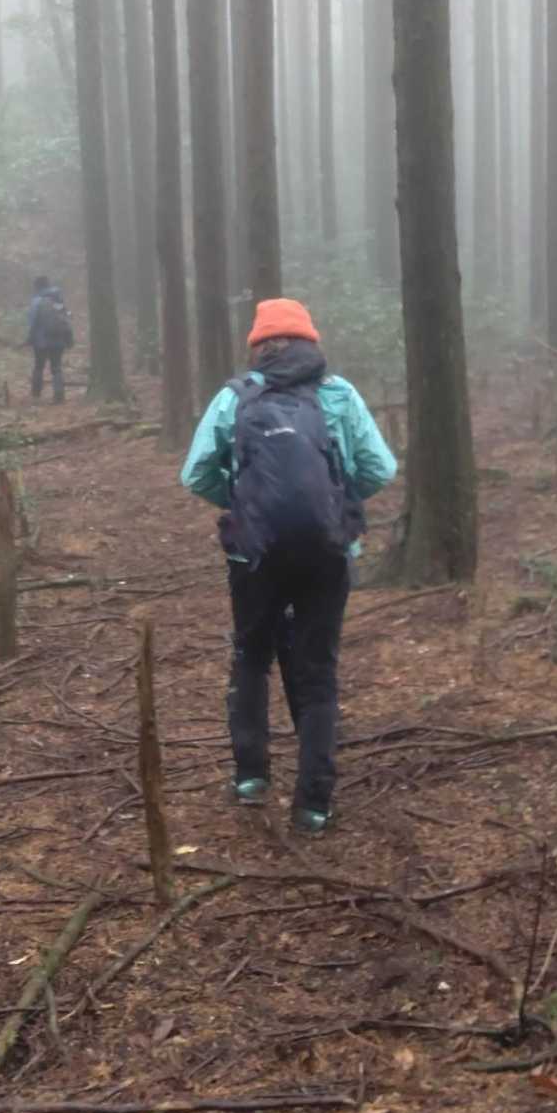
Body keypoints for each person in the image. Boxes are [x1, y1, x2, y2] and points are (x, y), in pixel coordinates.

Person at [180, 297, 397, 835]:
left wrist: (243, 503)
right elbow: (380, 468)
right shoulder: (338, 394)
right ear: (310, 342)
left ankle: (251, 777)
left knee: (252, 657)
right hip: (327, 551)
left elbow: (195, 473)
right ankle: (313, 804)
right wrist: (336, 501)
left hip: (253, 553)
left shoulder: (235, 397)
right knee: (317, 670)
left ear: (258, 346)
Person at [25, 275, 73, 403]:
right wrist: (69, 338)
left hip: (41, 341)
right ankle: (59, 396)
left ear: (37, 286)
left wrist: (29, 339)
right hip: (58, 339)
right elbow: (66, 319)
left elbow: (32, 322)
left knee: (38, 366)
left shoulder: (36, 301)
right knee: (56, 367)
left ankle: (36, 395)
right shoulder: (57, 299)